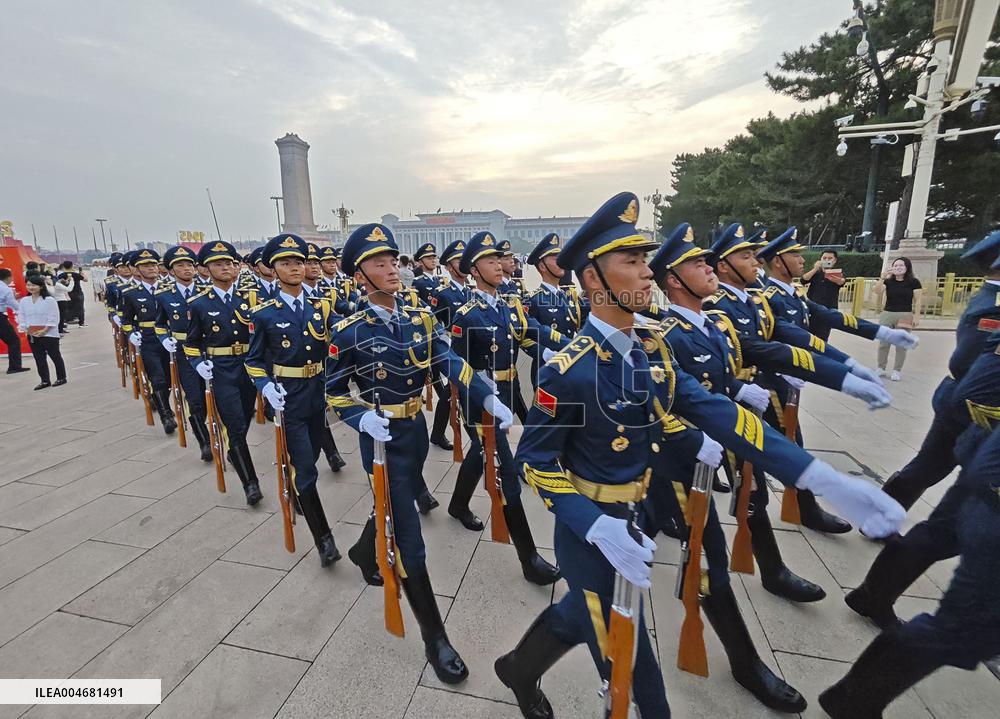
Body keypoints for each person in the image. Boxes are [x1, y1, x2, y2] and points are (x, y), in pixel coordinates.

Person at [497, 192, 905, 719]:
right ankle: (533, 670)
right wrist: (596, 526)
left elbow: (719, 412)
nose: (647, 274)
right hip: (590, 535)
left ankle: (519, 668)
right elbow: (536, 462)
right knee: (640, 683)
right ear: (594, 279)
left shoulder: (653, 346)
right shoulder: (569, 371)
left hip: (637, 513)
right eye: (632, 261)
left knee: (580, 614)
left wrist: (823, 478)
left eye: (647, 261)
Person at [326, 222, 504, 685]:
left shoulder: (420, 316)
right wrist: (359, 416)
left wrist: (484, 394)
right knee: (408, 534)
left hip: (414, 432)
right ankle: (435, 638)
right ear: (360, 275)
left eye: (391, 261)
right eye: (378, 264)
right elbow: (333, 391)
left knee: (392, 503)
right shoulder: (348, 330)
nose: (391, 269)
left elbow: (449, 359)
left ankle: (364, 551)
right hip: (379, 439)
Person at [448, 231, 564, 584]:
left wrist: (559, 350)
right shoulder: (466, 314)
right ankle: (529, 559)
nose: (499, 265)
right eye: (490, 260)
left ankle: (456, 504)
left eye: (500, 259)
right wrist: (482, 396)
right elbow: (456, 363)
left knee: (480, 454)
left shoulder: (509, 306)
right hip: (481, 401)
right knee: (506, 471)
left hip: (507, 387)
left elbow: (529, 334)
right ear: (473, 270)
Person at [880, 232, 1000, 510]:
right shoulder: (993, 308)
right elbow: (965, 362)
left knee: (931, 466)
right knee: (931, 467)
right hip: (972, 404)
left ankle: (882, 516)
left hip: (969, 400)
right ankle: (883, 517)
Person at [247, 233, 343, 567]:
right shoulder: (264, 314)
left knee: (312, 456)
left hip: (318, 395)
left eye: (299, 261)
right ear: (273, 269)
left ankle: (297, 483)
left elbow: (338, 341)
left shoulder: (321, 306)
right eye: (287, 263)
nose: (295, 268)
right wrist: (265, 386)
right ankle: (324, 539)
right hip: (288, 399)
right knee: (306, 470)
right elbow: (253, 360)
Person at [183, 240, 264, 506]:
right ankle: (250, 482)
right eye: (219, 264)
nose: (226, 268)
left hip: (249, 367)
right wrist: (198, 364)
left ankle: (234, 451)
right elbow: (191, 343)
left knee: (245, 416)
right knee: (235, 425)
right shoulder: (198, 304)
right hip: (221, 369)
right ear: (206, 269)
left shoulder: (251, 299)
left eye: (230, 263)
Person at [154, 245, 213, 462]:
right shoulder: (163, 296)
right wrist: (164, 338)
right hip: (183, 352)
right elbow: (159, 324)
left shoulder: (207, 292)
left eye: (190, 265)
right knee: (195, 398)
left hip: (209, 350)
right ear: (171, 271)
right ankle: (204, 441)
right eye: (181, 265)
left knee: (215, 399)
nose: (187, 269)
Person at [120, 249, 178, 435]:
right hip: (148, 339)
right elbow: (126, 320)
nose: (152, 268)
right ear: (137, 269)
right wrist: (131, 333)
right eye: (146, 265)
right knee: (158, 377)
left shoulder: (170, 288)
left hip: (169, 338)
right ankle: (166, 415)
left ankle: (160, 400)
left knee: (169, 379)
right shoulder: (131, 293)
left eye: (153, 264)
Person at [873, 257, 923, 380]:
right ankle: (881, 367)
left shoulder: (914, 282)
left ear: (907, 267)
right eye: (895, 265)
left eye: (901, 265)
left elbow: (918, 300)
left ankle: (897, 370)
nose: (898, 268)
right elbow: (877, 291)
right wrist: (882, 278)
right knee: (883, 343)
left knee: (901, 344)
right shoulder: (888, 281)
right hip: (888, 313)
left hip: (905, 314)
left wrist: (916, 316)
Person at [17, 274, 66, 389]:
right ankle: (45, 380)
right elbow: (22, 315)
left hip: (49, 334)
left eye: (34, 285)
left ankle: (61, 377)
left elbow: (53, 316)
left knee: (55, 355)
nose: (31, 287)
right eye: (28, 285)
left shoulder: (49, 300)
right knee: (39, 358)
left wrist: (45, 330)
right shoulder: (24, 300)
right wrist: (25, 329)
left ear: (41, 286)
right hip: (33, 334)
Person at [801, 250, 846, 341]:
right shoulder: (815, 273)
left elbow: (842, 281)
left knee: (822, 338)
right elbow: (803, 280)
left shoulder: (837, 273)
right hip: (811, 309)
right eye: (824, 258)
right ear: (820, 259)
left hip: (827, 310)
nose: (827, 260)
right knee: (807, 337)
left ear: (835, 260)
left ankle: (820, 354)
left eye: (830, 258)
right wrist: (814, 269)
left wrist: (837, 280)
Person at [0, 269, 29, 374]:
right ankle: (14, 367)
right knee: (13, 341)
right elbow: (13, 304)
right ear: (8, 277)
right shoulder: (5, 289)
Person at [58, 260, 86, 326]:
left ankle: (67, 320)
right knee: (80, 307)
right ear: (72, 266)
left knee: (67, 307)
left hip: (66, 293)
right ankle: (81, 323)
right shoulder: (76, 274)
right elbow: (85, 279)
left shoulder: (61, 275)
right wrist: (82, 273)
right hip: (77, 292)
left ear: (64, 266)